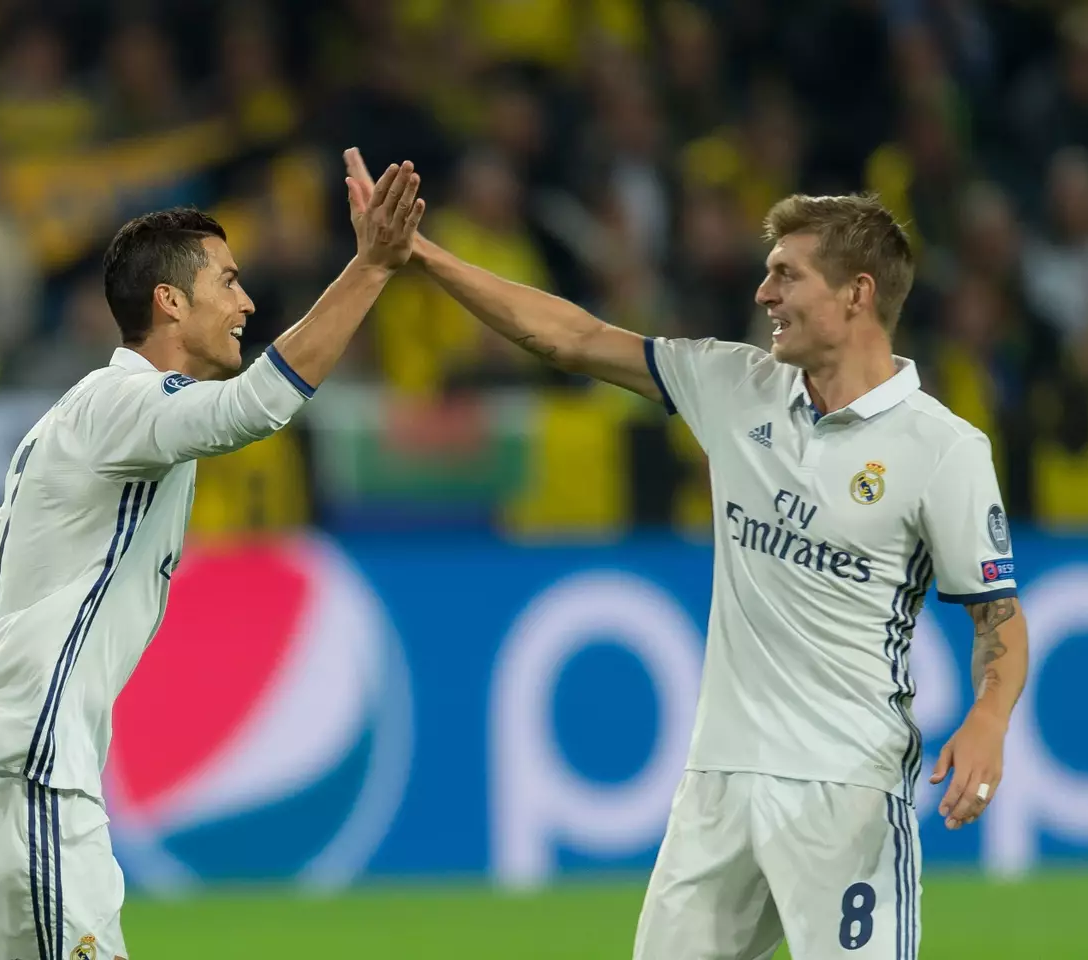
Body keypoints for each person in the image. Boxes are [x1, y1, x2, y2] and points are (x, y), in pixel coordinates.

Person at [345, 149, 1028, 959]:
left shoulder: (942, 449)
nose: (762, 293)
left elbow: (1000, 621)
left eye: (786, 275)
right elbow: (567, 336)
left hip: (847, 789)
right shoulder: (733, 386)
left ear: (857, 294)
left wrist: (989, 717)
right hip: (718, 783)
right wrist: (417, 255)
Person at [0, 161, 427, 960]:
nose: (246, 303)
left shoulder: (73, 425)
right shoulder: (128, 406)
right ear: (170, 301)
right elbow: (261, 405)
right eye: (229, 281)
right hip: (21, 769)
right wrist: (371, 266)